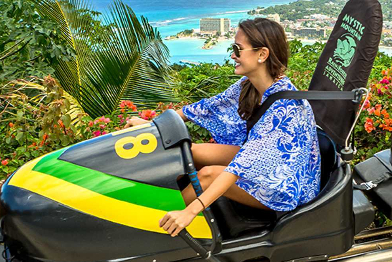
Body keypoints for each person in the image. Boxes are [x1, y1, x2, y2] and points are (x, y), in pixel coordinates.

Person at [128, 18, 320, 237]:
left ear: (262, 54)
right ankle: (149, 199)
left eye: (238, 49)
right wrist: (154, 124)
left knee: (208, 175)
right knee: (189, 152)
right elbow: (206, 108)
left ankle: (148, 222)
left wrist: (190, 212)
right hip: (267, 165)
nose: (233, 55)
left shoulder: (285, 108)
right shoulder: (250, 85)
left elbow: (239, 167)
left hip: (285, 183)